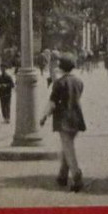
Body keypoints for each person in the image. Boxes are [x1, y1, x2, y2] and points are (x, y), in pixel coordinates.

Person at [39, 54, 86, 191]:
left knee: (68, 148)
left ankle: (77, 177)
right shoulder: (79, 81)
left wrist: (44, 117)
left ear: (61, 67)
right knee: (67, 147)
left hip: (64, 119)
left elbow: (52, 103)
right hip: (77, 117)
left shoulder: (59, 83)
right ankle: (62, 175)